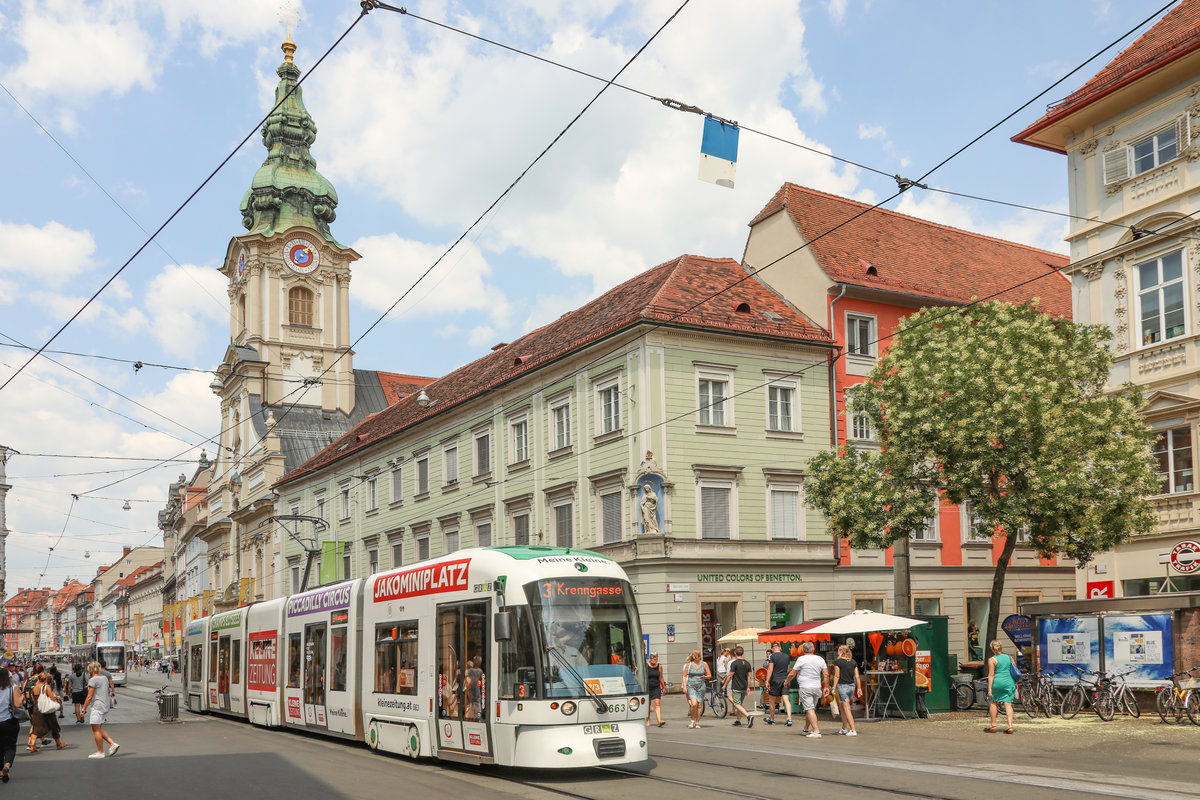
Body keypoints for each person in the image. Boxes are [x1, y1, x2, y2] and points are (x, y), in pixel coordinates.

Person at [787, 641, 829, 738]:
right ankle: (806, 729)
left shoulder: (801, 659)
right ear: (813, 649)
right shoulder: (820, 659)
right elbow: (826, 674)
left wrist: (787, 681)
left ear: (803, 650)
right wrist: (826, 687)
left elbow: (792, 673)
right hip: (817, 687)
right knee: (810, 709)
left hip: (805, 687)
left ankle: (816, 731)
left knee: (809, 709)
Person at [83, 662, 119, 759]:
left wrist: (83, 708)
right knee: (98, 728)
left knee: (95, 730)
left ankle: (100, 752)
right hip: (105, 705)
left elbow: (89, 696)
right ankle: (112, 744)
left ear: (90, 670)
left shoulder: (93, 680)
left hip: (97, 706)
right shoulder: (104, 678)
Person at [986, 639, 1017, 734]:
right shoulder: (1009, 658)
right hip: (1009, 682)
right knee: (1008, 704)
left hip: (997, 683)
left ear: (992, 649)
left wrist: (990, 688)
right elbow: (1014, 670)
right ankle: (1010, 726)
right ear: (1001, 647)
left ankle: (994, 725)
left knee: (993, 702)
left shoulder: (992, 660)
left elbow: (991, 674)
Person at [28, 673, 66, 752]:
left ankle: (32, 745)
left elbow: (33, 699)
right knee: (53, 726)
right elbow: (52, 698)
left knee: (36, 727)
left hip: (37, 709)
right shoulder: (46, 687)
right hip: (46, 710)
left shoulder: (34, 687)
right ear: (46, 679)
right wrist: (56, 696)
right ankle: (59, 744)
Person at [832, 644, 863, 736]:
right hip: (851, 687)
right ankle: (844, 728)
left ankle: (853, 729)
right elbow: (857, 676)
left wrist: (833, 687)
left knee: (846, 708)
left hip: (843, 687)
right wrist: (859, 688)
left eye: (838, 650)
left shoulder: (838, 662)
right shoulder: (853, 662)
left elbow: (837, 675)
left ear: (841, 651)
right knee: (842, 707)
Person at [723, 646, 754, 728]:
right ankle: (738, 720)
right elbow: (749, 677)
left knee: (736, 704)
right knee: (740, 704)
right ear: (743, 653)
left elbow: (730, 675)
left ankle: (748, 716)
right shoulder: (747, 663)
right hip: (744, 686)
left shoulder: (734, 663)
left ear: (735, 653)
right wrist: (748, 687)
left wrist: (725, 685)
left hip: (736, 686)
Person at [763, 642, 794, 726]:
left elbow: (770, 669)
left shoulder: (772, 656)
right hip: (784, 679)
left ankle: (772, 719)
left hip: (775, 680)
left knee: (772, 700)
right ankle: (789, 718)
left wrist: (767, 681)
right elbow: (787, 669)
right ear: (780, 648)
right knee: (786, 699)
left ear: (773, 649)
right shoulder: (786, 656)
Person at [0, 667, 21, 784]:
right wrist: (22, 698)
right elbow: (17, 704)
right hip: (8, 721)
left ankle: (0, 772)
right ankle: (6, 766)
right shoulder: (13, 688)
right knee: (10, 746)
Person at [681, 650, 711, 729]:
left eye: (698, 657)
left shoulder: (704, 664)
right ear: (693, 657)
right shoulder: (689, 665)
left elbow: (709, 675)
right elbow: (684, 675)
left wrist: (704, 677)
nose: (697, 658)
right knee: (693, 704)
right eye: (695, 657)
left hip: (701, 686)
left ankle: (697, 722)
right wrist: (684, 686)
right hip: (691, 686)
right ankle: (692, 720)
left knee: (699, 705)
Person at [645, 653, 665, 727]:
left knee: (657, 703)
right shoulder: (646, 666)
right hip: (648, 687)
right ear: (650, 659)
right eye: (652, 659)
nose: (654, 660)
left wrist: (663, 687)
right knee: (648, 704)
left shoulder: (659, 666)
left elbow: (661, 677)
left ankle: (659, 721)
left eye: (655, 659)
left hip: (656, 687)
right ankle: (648, 720)